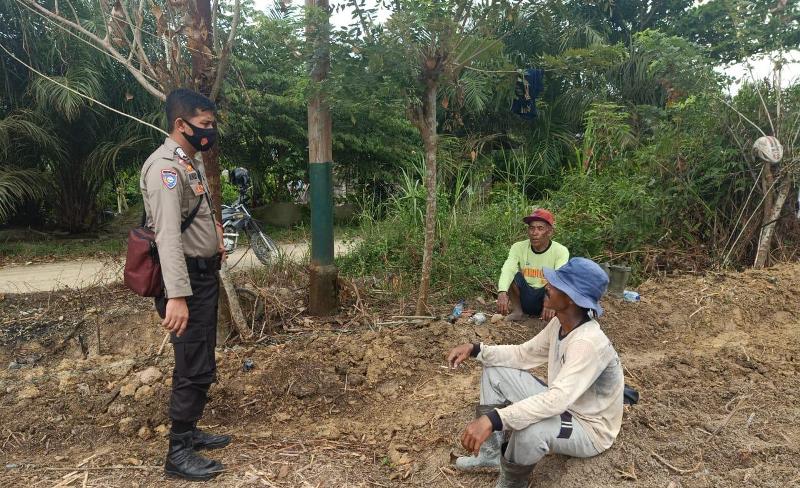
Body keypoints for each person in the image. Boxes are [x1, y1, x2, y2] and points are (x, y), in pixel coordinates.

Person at [447, 258, 624, 488]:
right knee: (494, 372)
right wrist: (476, 349)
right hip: (565, 405)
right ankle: (490, 455)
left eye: (556, 284)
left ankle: (512, 483)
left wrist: (495, 419)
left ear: (572, 298)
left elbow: (556, 400)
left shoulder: (587, 342)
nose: (547, 286)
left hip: (589, 427)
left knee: (529, 429)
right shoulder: (560, 324)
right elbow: (523, 354)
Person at [140, 88, 229, 481]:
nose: (210, 131)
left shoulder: (186, 162)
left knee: (200, 357)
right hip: (185, 282)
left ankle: (189, 432)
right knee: (193, 363)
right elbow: (167, 237)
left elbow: (194, 215)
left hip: (202, 276)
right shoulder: (165, 169)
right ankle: (177, 453)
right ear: (181, 124)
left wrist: (215, 235)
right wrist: (177, 295)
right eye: (205, 124)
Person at [496, 209, 568, 322]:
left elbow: (560, 277)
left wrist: (551, 300)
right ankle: (518, 311)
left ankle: (549, 316)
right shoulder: (518, 247)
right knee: (513, 276)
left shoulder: (560, 250)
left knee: (557, 283)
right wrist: (502, 291)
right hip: (526, 295)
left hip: (546, 296)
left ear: (549, 232)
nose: (534, 233)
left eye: (540, 228)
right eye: (531, 228)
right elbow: (508, 268)